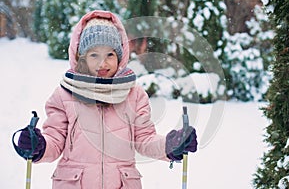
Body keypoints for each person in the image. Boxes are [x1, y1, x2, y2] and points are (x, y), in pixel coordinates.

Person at [16, 10, 197, 188]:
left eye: (110, 54)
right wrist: (39, 145)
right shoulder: (64, 95)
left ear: (120, 56)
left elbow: (144, 139)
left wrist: (171, 145)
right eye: (94, 55)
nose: (102, 63)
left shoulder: (134, 95)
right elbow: (55, 141)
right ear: (81, 58)